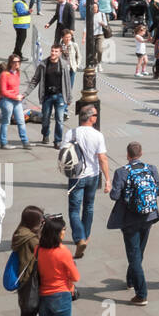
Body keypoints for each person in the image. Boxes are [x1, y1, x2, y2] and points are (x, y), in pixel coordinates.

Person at [106, 141, 159, 307]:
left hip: (130, 219)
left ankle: (141, 294)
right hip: (149, 216)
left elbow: (114, 196)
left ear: (127, 155)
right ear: (141, 153)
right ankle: (131, 279)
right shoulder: (151, 168)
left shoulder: (121, 172)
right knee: (139, 251)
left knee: (134, 255)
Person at [64, 106, 110, 259]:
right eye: (95, 115)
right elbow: (102, 158)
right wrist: (108, 180)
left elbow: (64, 153)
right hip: (93, 176)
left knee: (74, 209)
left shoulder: (71, 133)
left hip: (76, 176)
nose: (96, 117)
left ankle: (79, 238)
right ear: (90, 118)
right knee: (89, 206)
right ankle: (86, 235)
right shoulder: (97, 135)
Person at [9, 205, 44, 316]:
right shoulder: (31, 240)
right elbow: (43, 253)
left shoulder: (21, 233)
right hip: (31, 285)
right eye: (41, 220)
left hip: (24, 285)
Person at [30, 43, 73, 146]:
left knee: (59, 119)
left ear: (60, 53)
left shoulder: (64, 65)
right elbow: (35, 79)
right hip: (47, 96)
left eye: (56, 51)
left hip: (60, 96)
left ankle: (57, 141)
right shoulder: (43, 64)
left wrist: (69, 97)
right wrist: (26, 93)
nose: (53, 53)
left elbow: (68, 82)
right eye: (52, 51)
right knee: (45, 118)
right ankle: (45, 134)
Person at [0, 52, 30, 149]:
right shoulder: (4, 74)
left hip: (16, 100)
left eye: (18, 61)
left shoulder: (17, 73)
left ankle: (25, 141)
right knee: (6, 121)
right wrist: (15, 97)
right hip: (7, 100)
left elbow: (15, 88)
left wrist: (18, 96)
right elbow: (3, 91)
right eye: (15, 62)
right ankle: (3, 142)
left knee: (21, 120)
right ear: (10, 63)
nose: (17, 63)